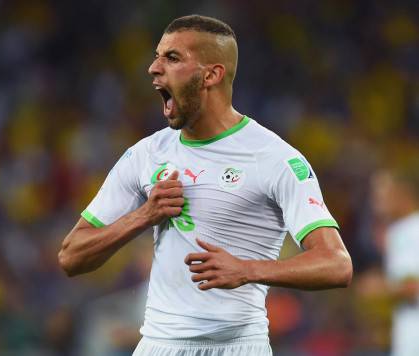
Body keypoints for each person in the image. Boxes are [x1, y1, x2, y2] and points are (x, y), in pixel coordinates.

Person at [58, 15, 353, 355]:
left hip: (239, 345)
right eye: (157, 56)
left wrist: (247, 270)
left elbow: (336, 264)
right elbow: (71, 256)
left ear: (211, 75)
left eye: (172, 58)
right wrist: (143, 216)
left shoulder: (274, 158)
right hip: (159, 344)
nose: (153, 68)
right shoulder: (145, 155)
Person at [370, 164, 419, 356]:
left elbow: (413, 287)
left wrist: (380, 288)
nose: (376, 200)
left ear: (403, 192)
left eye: (382, 190)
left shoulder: (412, 230)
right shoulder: (398, 231)